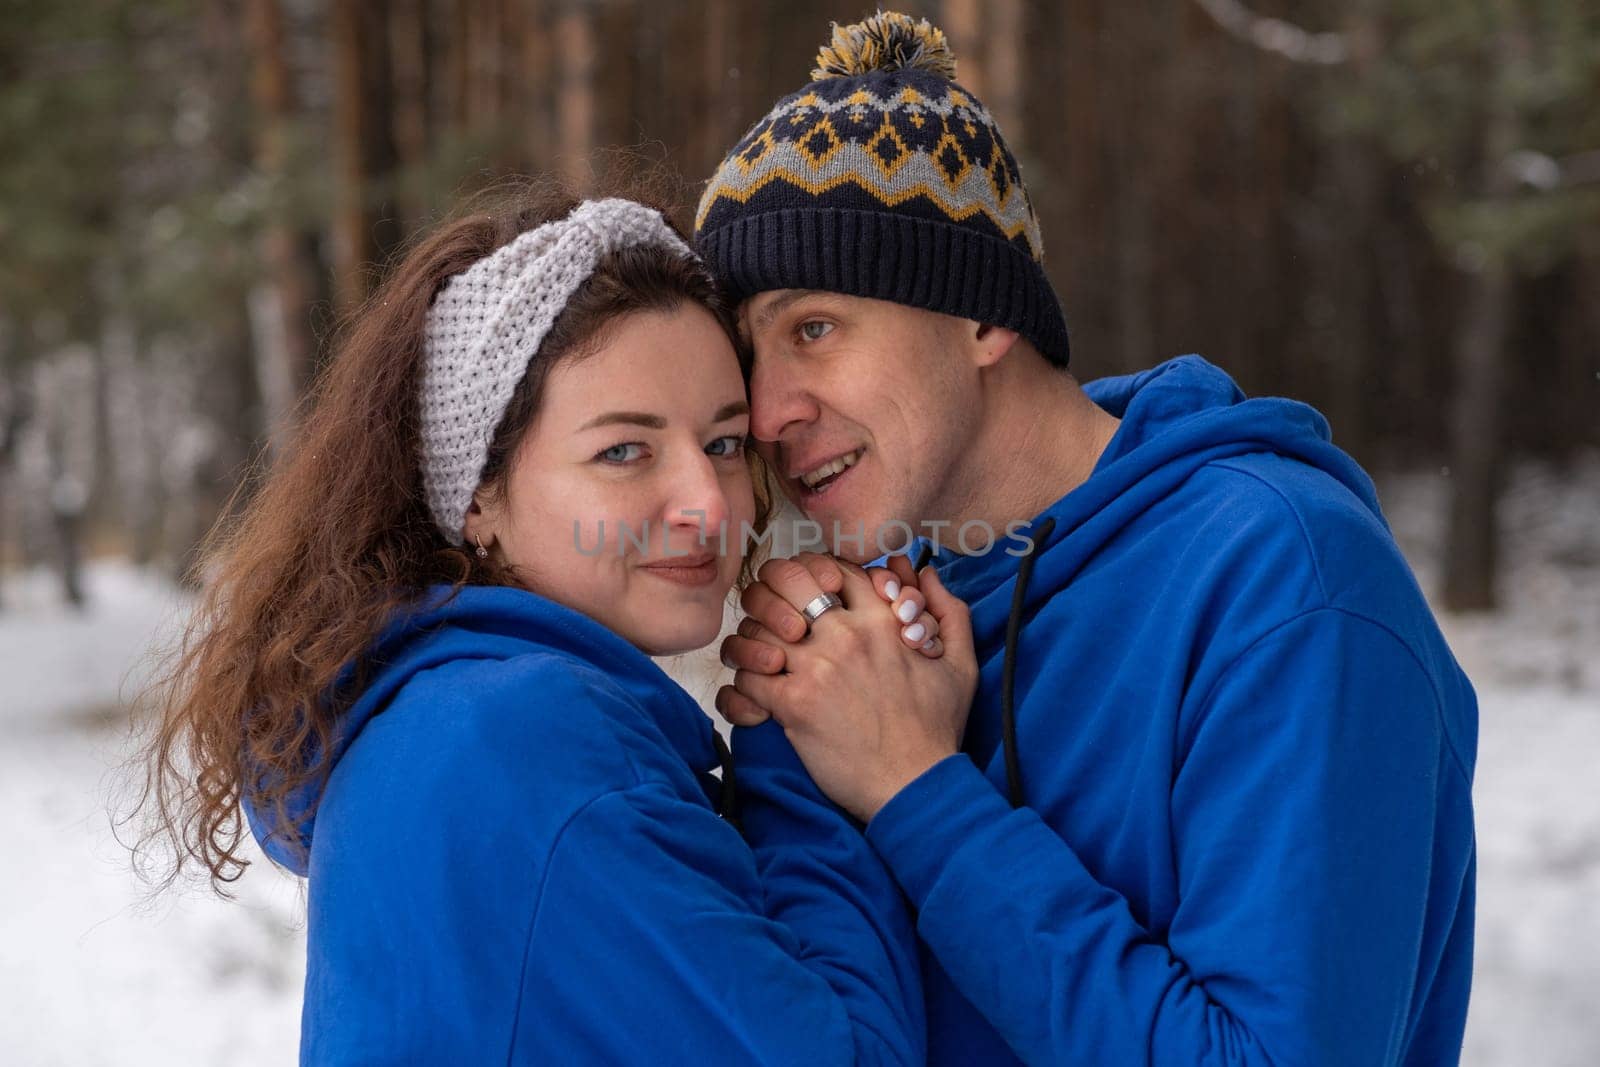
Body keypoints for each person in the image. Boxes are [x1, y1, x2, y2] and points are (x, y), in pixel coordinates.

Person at [703, 12, 1478, 1066]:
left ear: (981, 317)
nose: (769, 409)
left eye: (814, 327)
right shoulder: (877, 626)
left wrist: (914, 790)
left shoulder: (1283, 582)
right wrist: (787, 739)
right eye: (749, 356)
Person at [133, 184, 931, 1063]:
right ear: (478, 497)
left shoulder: (431, 710)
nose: (709, 504)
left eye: (725, 442)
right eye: (623, 451)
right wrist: (797, 738)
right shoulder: (536, 746)